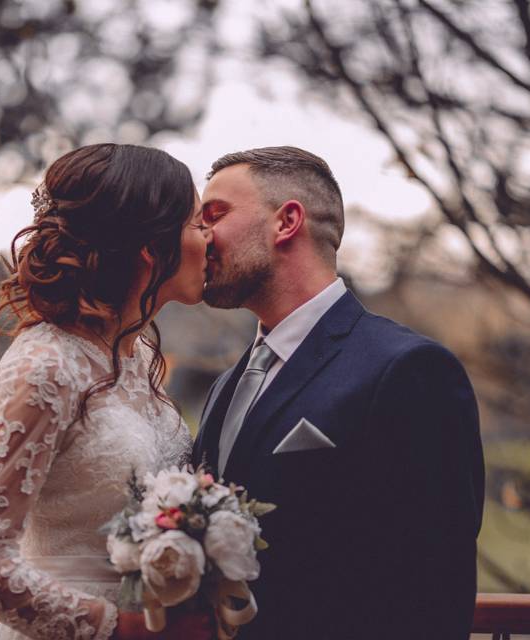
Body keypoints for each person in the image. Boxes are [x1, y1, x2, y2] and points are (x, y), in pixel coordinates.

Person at [192, 146, 485, 639]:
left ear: (286, 221)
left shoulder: (409, 370)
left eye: (215, 215)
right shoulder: (229, 383)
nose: (202, 236)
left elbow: (436, 587)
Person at [0, 143, 213, 640]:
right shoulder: (45, 365)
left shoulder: (135, 361)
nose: (210, 238)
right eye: (197, 223)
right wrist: (115, 629)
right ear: (151, 248)